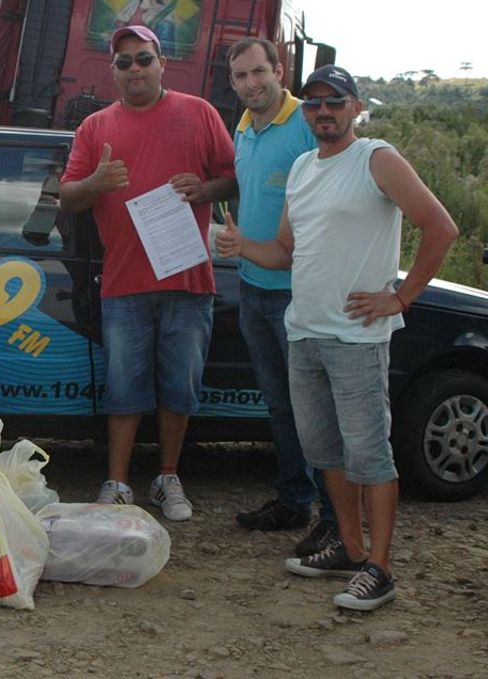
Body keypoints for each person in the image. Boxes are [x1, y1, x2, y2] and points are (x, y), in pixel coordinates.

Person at [216, 65, 458, 611]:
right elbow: (284, 251)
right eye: (314, 104)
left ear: (354, 108)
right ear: (305, 112)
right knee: (325, 452)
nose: (323, 111)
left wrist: (401, 298)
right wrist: (239, 245)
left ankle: (381, 568)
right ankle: (349, 550)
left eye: (334, 102)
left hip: (356, 338)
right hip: (303, 331)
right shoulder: (302, 167)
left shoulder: (376, 158)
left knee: (370, 456)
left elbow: (440, 226)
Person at [58, 25, 235, 520]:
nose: (134, 69)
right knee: (124, 389)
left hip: (188, 282)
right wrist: (95, 181)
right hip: (124, 283)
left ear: (162, 63)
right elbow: (69, 196)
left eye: (143, 59)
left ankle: (168, 479)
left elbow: (232, 176)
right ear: (112, 72)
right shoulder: (94, 127)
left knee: (180, 387)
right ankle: (116, 483)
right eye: (124, 62)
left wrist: (204, 189)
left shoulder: (199, 112)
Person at [225, 38, 337, 555]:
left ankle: (335, 520)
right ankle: (295, 499)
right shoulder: (244, 127)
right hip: (253, 288)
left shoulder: (304, 126)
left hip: (300, 294)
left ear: (279, 70)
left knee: (316, 410)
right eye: (241, 77)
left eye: (257, 73)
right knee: (279, 405)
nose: (250, 84)